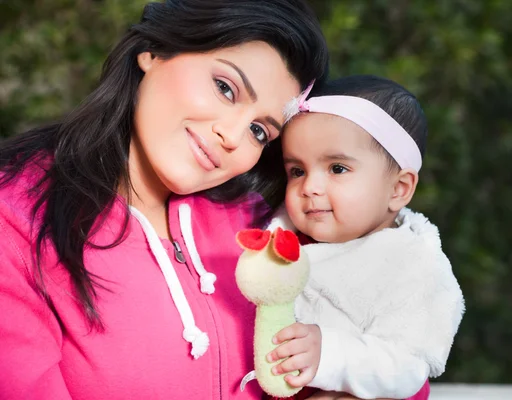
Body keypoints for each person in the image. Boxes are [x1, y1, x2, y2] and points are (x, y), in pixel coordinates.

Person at [0, 1, 328, 399]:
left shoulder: (262, 232)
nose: (233, 135)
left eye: (260, 131)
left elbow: (395, 341)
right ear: (154, 51)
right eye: (226, 88)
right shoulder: (16, 220)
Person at [262, 76, 465, 399]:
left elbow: (406, 365)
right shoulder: (280, 241)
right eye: (297, 171)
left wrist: (329, 354)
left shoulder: (413, 265)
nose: (310, 187)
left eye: (337, 169)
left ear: (398, 189)